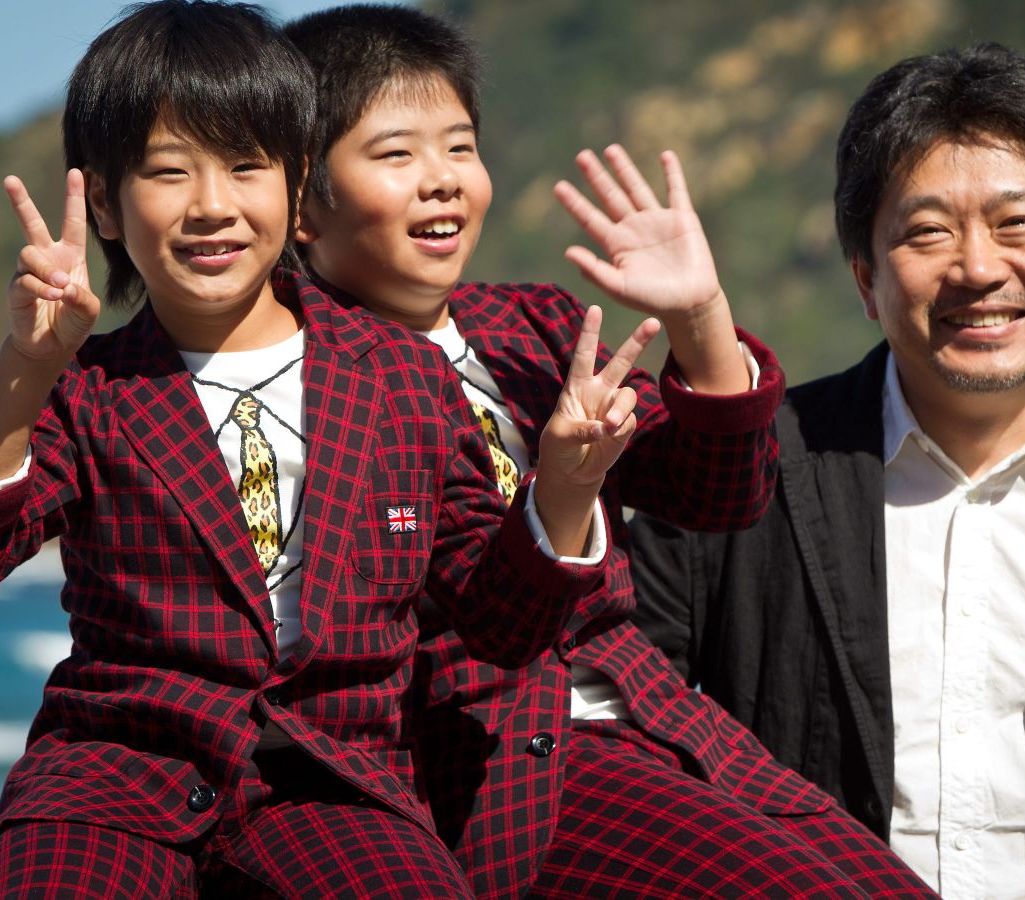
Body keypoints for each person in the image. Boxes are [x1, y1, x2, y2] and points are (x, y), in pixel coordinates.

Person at [0, 2, 653, 896]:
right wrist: (30, 362)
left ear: (296, 184)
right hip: (109, 784)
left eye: (246, 166)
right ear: (104, 201)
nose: (212, 206)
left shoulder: (402, 375)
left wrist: (565, 492)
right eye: (167, 172)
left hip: (339, 784)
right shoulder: (88, 389)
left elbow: (494, 624)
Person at [284, 5, 934, 899]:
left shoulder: (531, 328)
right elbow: (486, 623)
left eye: (461, 148)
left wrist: (697, 316)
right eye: (396, 154)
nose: (441, 180)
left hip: (662, 721)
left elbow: (722, 494)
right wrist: (557, 494)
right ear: (301, 207)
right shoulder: (312, 374)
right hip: (514, 759)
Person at [628, 41, 1025, 899]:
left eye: (1017, 224)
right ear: (865, 279)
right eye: (928, 231)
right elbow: (622, 746)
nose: (976, 267)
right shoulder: (734, 481)